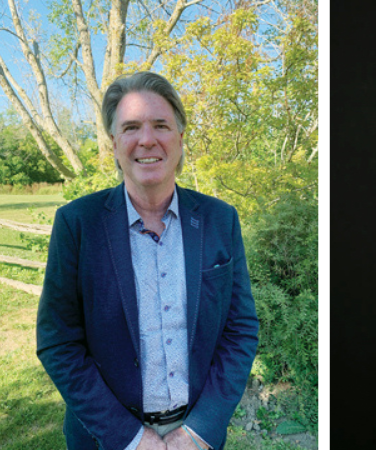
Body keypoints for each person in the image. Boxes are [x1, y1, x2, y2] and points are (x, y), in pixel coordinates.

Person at [36, 71, 259, 450]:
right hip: (106, 439)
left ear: (180, 138)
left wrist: (200, 430)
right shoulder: (77, 224)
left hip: (196, 438)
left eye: (161, 125)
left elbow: (241, 329)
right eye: (131, 127)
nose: (147, 139)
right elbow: (58, 343)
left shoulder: (220, 220)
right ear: (114, 144)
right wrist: (130, 438)